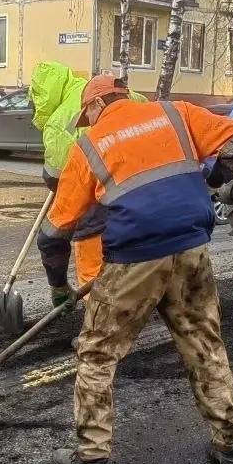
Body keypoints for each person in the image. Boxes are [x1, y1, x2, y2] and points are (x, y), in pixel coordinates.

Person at [43, 74, 233, 464]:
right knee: (204, 343)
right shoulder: (177, 113)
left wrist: (59, 288)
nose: (87, 125)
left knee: (97, 354)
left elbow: (53, 235)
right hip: (191, 249)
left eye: (87, 117)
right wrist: (210, 178)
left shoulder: (89, 145)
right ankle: (230, 446)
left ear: (95, 106)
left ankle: (92, 457)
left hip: (133, 261)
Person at [29, 62, 147, 302]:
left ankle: (98, 318)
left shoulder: (60, 119)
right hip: (141, 194)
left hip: (96, 205)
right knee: (139, 263)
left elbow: (56, 177)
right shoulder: (124, 95)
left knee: (94, 268)